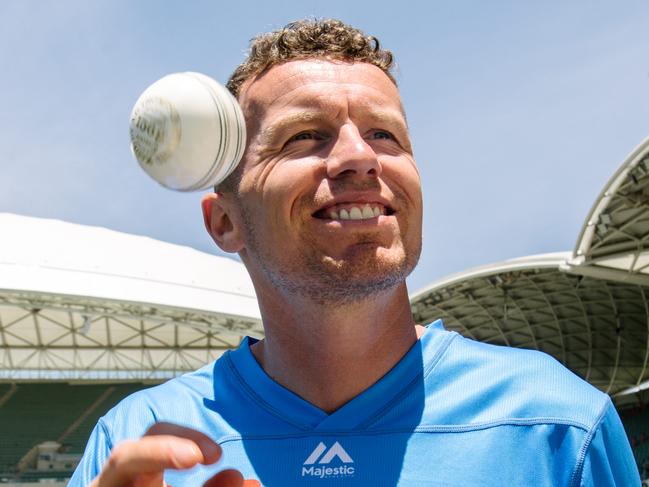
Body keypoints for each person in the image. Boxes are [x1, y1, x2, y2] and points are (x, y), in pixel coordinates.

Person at [69, 19, 640, 486]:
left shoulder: (558, 423)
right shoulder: (138, 443)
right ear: (225, 222)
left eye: (385, 135)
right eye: (303, 136)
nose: (359, 157)